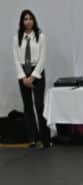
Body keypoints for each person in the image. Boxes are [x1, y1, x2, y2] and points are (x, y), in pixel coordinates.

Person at [12, 9, 49, 148]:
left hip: (37, 72)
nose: (28, 21)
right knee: (28, 106)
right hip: (23, 72)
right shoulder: (16, 38)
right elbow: (16, 59)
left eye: (30, 19)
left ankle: (45, 139)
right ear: (22, 22)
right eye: (25, 19)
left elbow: (43, 58)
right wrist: (23, 77)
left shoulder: (41, 36)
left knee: (39, 105)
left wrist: (33, 77)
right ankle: (33, 138)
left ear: (34, 21)